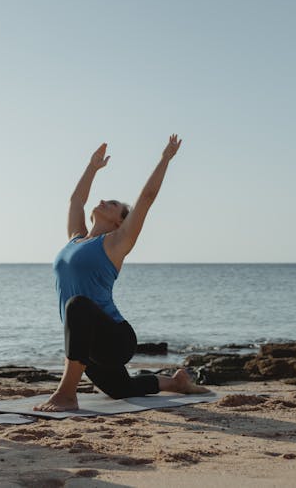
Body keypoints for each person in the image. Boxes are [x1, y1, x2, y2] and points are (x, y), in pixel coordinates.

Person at [35, 135, 208, 412]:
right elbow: (76, 201)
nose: (103, 200)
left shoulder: (116, 243)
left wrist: (165, 159)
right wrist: (92, 168)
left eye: (112, 203)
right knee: (121, 390)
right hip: (88, 343)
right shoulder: (75, 238)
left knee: (77, 305)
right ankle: (176, 382)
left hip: (115, 338)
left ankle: (67, 394)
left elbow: (147, 198)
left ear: (119, 221)